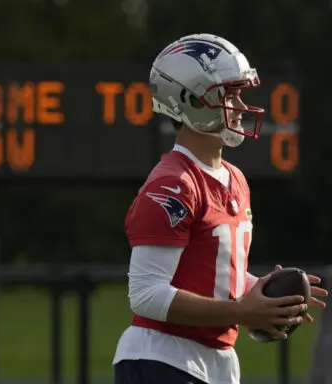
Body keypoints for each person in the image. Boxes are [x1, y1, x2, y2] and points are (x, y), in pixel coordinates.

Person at [113, 33, 328, 384]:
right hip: (164, 359)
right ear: (190, 99)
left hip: (214, 362)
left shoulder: (235, 179)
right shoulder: (173, 184)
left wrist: (262, 294)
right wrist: (242, 311)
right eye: (229, 95)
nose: (241, 106)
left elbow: (213, 277)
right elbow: (146, 295)